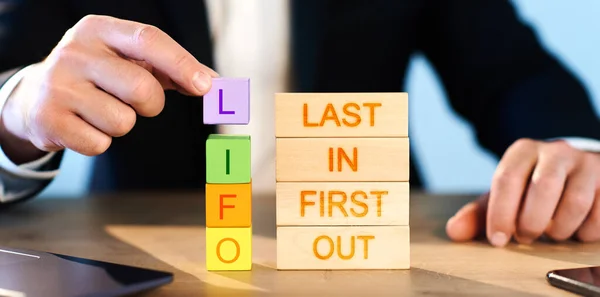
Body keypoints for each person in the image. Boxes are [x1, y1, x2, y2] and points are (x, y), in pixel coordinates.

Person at [0, 0, 599, 248]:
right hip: (153, 256)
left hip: (381, 250)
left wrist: (574, 153)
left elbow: (514, 72)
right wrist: (14, 109)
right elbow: (12, 67)